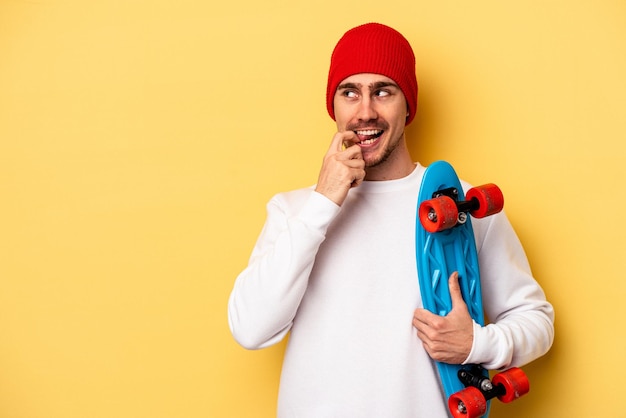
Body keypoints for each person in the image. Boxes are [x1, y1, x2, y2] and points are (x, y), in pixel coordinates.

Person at [228, 22, 554, 417]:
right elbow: (250, 329)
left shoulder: (459, 205)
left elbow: (537, 321)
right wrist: (323, 203)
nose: (366, 112)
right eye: (350, 93)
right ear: (334, 106)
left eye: (383, 91)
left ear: (408, 105)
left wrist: (477, 345)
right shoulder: (294, 210)